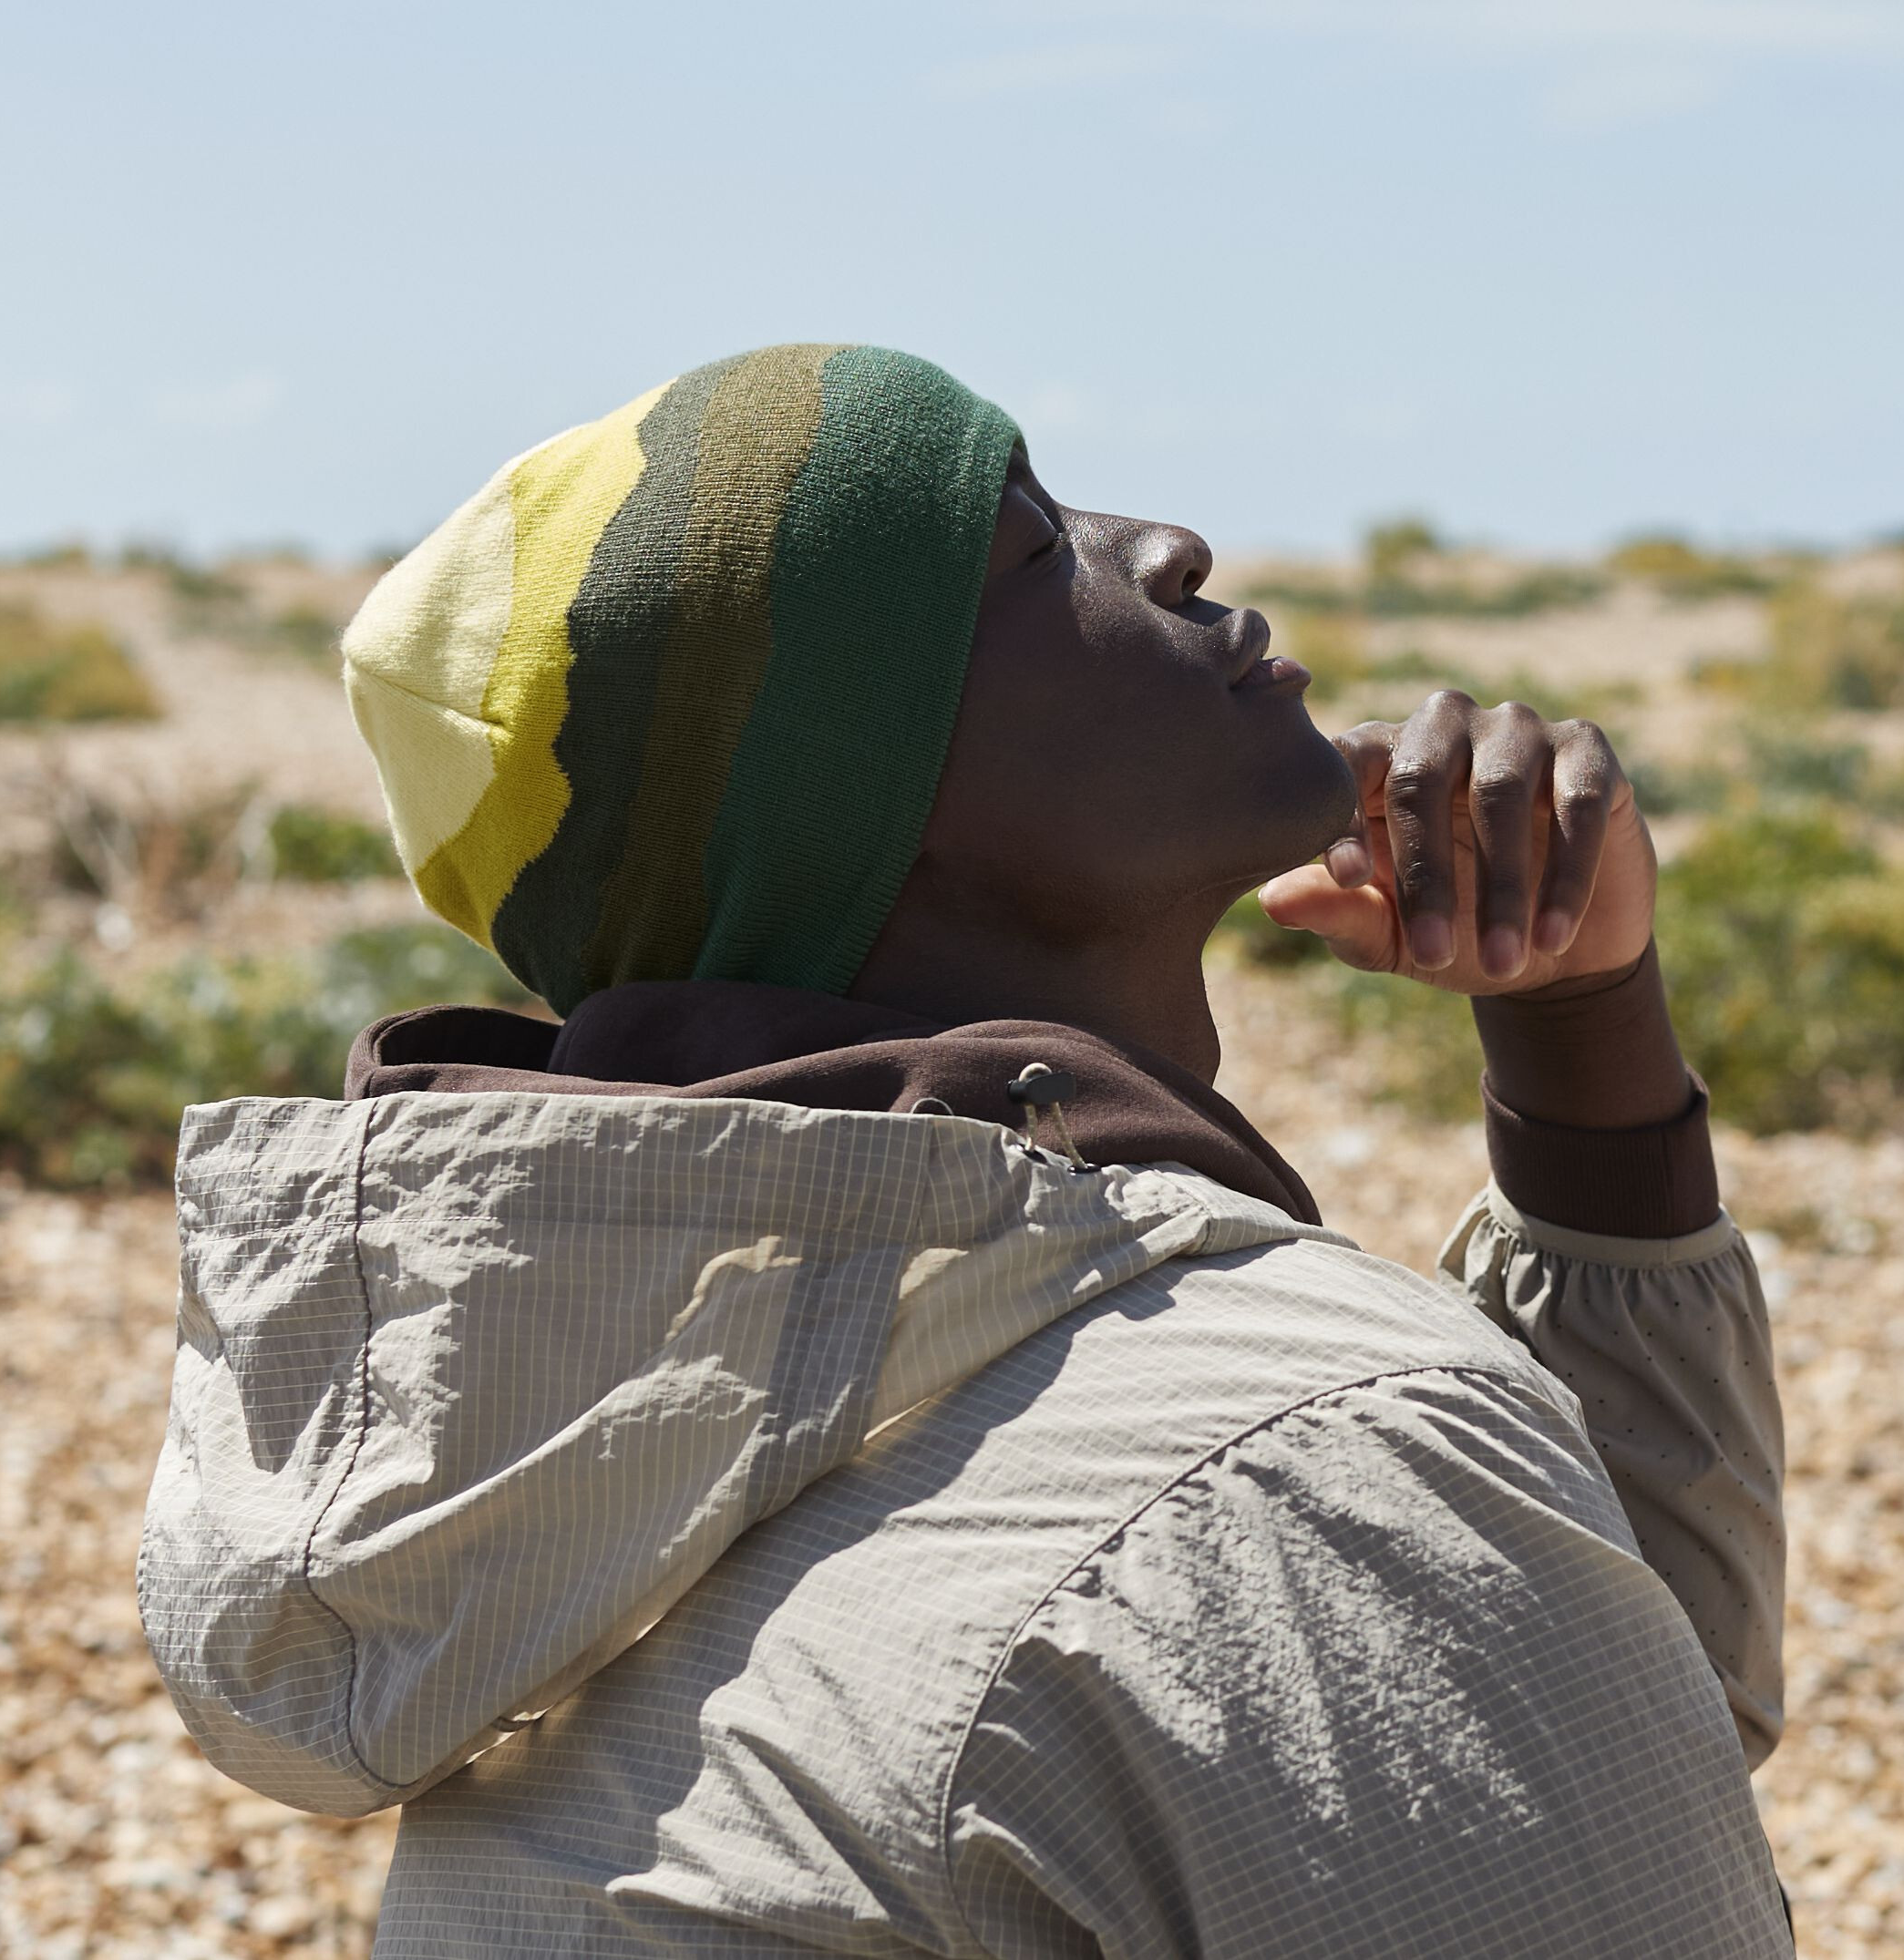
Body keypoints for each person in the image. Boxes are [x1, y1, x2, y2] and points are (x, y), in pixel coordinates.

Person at [140, 344, 1791, 1957]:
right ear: (859, 793)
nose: (1167, 547)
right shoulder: (1288, 1452)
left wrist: (1584, 1021)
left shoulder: (594, 1424)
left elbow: (1605, 1730)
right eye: (1017, 546)